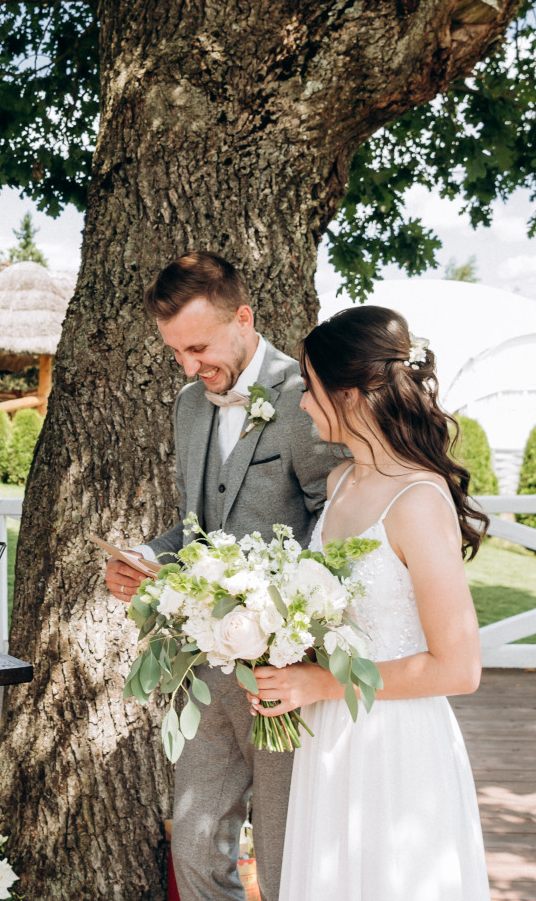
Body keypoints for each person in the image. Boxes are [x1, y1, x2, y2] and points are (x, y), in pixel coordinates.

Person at [103, 252, 337, 901]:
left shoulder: (305, 400)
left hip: (281, 671)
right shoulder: (186, 407)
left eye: (198, 347)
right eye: (175, 351)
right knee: (196, 844)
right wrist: (147, 558)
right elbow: (197, 529)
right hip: (200, 662)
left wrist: (291, 623)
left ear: (243, 318)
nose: (188, 367)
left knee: (286, 850)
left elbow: (338, 529)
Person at [250, 306, 490, 900]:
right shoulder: (339, 484)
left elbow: (460, 669)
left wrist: (321, 684)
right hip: (329, 738)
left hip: (396, 746)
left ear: (351, 394)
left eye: (312, 388)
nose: (303, 402)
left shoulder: (417, 501)